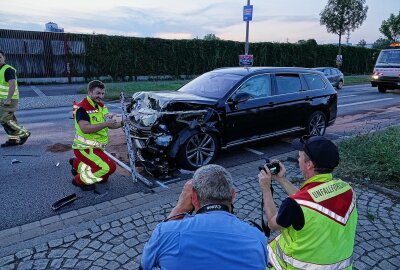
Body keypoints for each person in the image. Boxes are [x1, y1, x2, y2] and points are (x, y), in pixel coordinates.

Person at [141, 164, 268, 270]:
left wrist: (179, 209)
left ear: (194, 197)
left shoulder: (165, 232)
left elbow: (145, 265)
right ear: (233, 195)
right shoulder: (257, 238)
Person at [258, 135, 358, 269]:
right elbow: (310, 200)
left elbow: (272, 224)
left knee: (255, 254)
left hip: (295, 266)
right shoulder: (347, 190)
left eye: (299, 157)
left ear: (309, 164)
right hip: (341, 266)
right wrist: (281, 179)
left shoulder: (294, 204)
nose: (298, 159)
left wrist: (266, 188)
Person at [71, 80, 122, 191]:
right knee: (109, 168)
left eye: (103, 93)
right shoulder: (82, 108)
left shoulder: (101, 106)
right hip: (84, 148)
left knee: (103, 176)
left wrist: (123, 122)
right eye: (98, 93)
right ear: (90, 92)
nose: (101, 96)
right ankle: (79, 181)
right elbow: (85, 129)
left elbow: (110, 125)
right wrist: (106, 123)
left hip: (96, 147)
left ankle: (77, 164)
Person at [0, 50, 30, 147]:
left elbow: (12, 85)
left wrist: (8, 99)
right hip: (2, 99)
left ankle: (24, 133)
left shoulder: (8, 69)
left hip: (9, 99)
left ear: (4, 57)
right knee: (10, 119)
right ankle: (13, 140)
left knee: (5, 119)